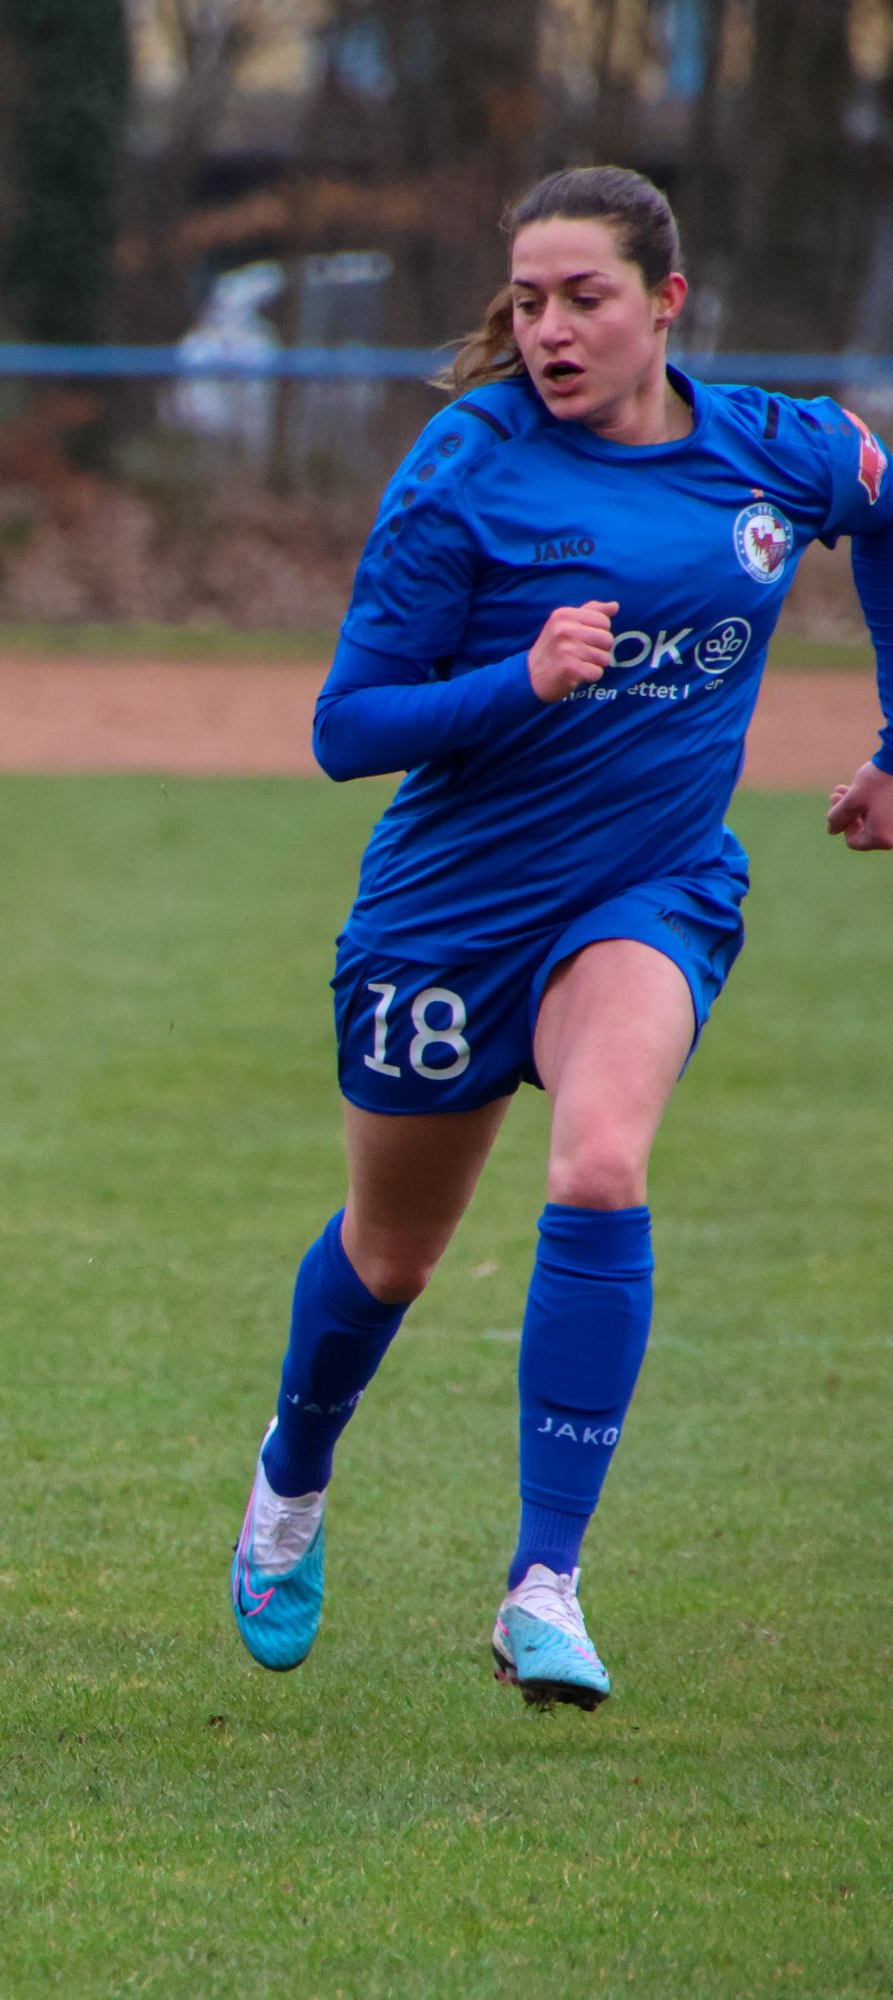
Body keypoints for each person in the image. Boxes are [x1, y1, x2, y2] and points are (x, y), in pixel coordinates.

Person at [225, 166, 893, 1707]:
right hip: (451, 912)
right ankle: (294, 1474)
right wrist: (515, 683)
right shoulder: (468, 465)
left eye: (583, 296)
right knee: (392, 1256)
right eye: (526, 301)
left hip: (646, 890)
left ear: (668, 301)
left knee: (600, 1163)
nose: (549, 329)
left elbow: (887, 502)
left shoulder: (774, 450)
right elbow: (346, 727)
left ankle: (545, 1584)